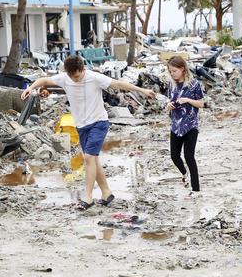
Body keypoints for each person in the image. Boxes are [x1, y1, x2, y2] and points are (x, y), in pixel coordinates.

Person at [21, 56, 155, 210]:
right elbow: (44, 80)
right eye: (72, 77)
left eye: (77, 76)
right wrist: (30, 88)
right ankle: (106, 193)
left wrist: (142, 90)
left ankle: (88, 197)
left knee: (89, 158)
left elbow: (118, 83)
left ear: (83, 70)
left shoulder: (94, 77)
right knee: (93, 161)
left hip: (99, 123)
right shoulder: (65, 78)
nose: (75, 80)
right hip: (81, 126)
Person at [165, 56, 204, 193]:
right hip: (176, 125)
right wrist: (169, 105)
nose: (172, 73)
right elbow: (169, 101)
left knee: (189, 156)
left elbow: (201, 103)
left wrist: (187, 100)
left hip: (190, 125)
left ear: (182, 69)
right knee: (174, 156)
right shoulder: (171, 84)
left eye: (174, 71)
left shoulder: (194, 84)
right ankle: (184, 173)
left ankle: (196, 190)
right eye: (170, 71)